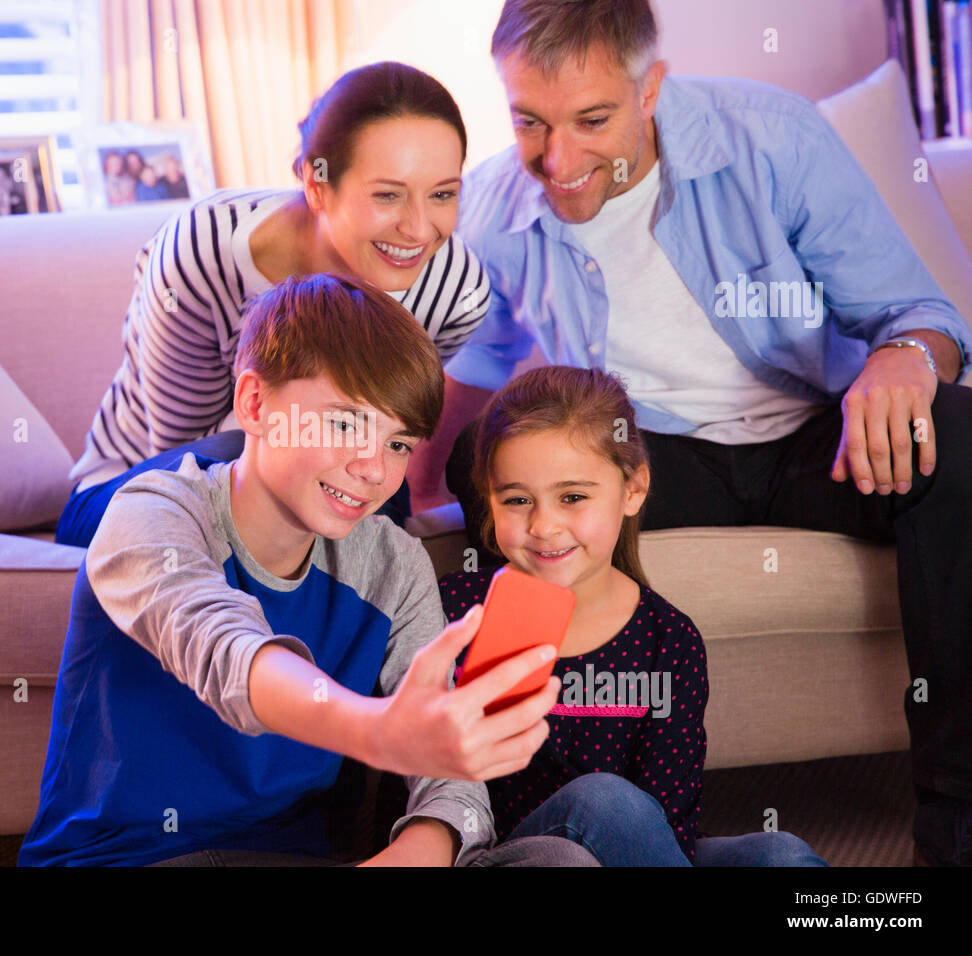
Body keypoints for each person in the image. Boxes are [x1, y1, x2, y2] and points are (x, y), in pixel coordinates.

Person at [404, 0, 972, 866]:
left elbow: (920, 315)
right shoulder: (494, 210)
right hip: (646, 456)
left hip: (817, 436)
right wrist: (417, 499)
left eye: (591, 119)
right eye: (529, 121)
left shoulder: (772, 137)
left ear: (651, 88)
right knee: (499, 463)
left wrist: (904, 356)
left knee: (960, 432)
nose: (558, 160)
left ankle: (957, 822)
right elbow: (470, 375)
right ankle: (523, 811)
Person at [19, 273, 597, 868]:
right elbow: (227, 652)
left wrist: (422, 842)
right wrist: (379, 731)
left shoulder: (393, 564)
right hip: (132, 859)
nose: (374, 469)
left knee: (558, 860)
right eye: (346, 423)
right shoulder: (153, 513)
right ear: (255, 404)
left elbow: (448, 777)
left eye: (399, 444)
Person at [57, 61, 492, 546]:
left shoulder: (455, 292)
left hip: (324, 477)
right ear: (317, 184)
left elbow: (389, 432)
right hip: (140, 493)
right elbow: (184, 459)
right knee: (246, 448)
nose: (417, 229)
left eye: (442, 194)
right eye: (387, 195)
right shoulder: (203, 251)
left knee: (383, 502)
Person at [437, 365, 826, 865]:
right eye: (517, 500)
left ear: (633, 490)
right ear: (490, 501)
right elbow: (419, 786)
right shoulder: (455, 612)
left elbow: (670, 823)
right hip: (502, 854)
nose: (543, 525)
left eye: (572, 497)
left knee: (781, 853)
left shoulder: (669, 639)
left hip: (635, 853)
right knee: (602, 799)